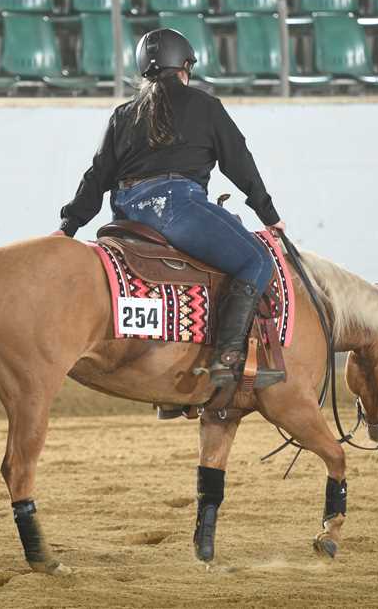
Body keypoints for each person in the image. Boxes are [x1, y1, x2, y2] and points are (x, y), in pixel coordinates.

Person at [52, 28, 285, 388]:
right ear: (185, 66)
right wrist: (269, 215)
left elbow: (97, 175)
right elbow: (239, 162)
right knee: (257, 260)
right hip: (175, 207)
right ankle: (227, 359)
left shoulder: (123, 114)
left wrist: (68, 227)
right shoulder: (204, 106)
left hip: (126, 214)